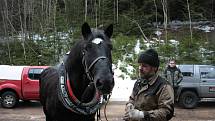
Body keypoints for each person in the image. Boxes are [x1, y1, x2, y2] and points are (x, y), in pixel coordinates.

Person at [123, 49, 174, 121]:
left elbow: (167, 112)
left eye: (144, 66)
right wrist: (129, 105)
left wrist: (142, 115)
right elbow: (132, 99)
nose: (140, 68)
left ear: (154, 68)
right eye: (140, 65)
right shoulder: (138, 82)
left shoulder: (163, 86)